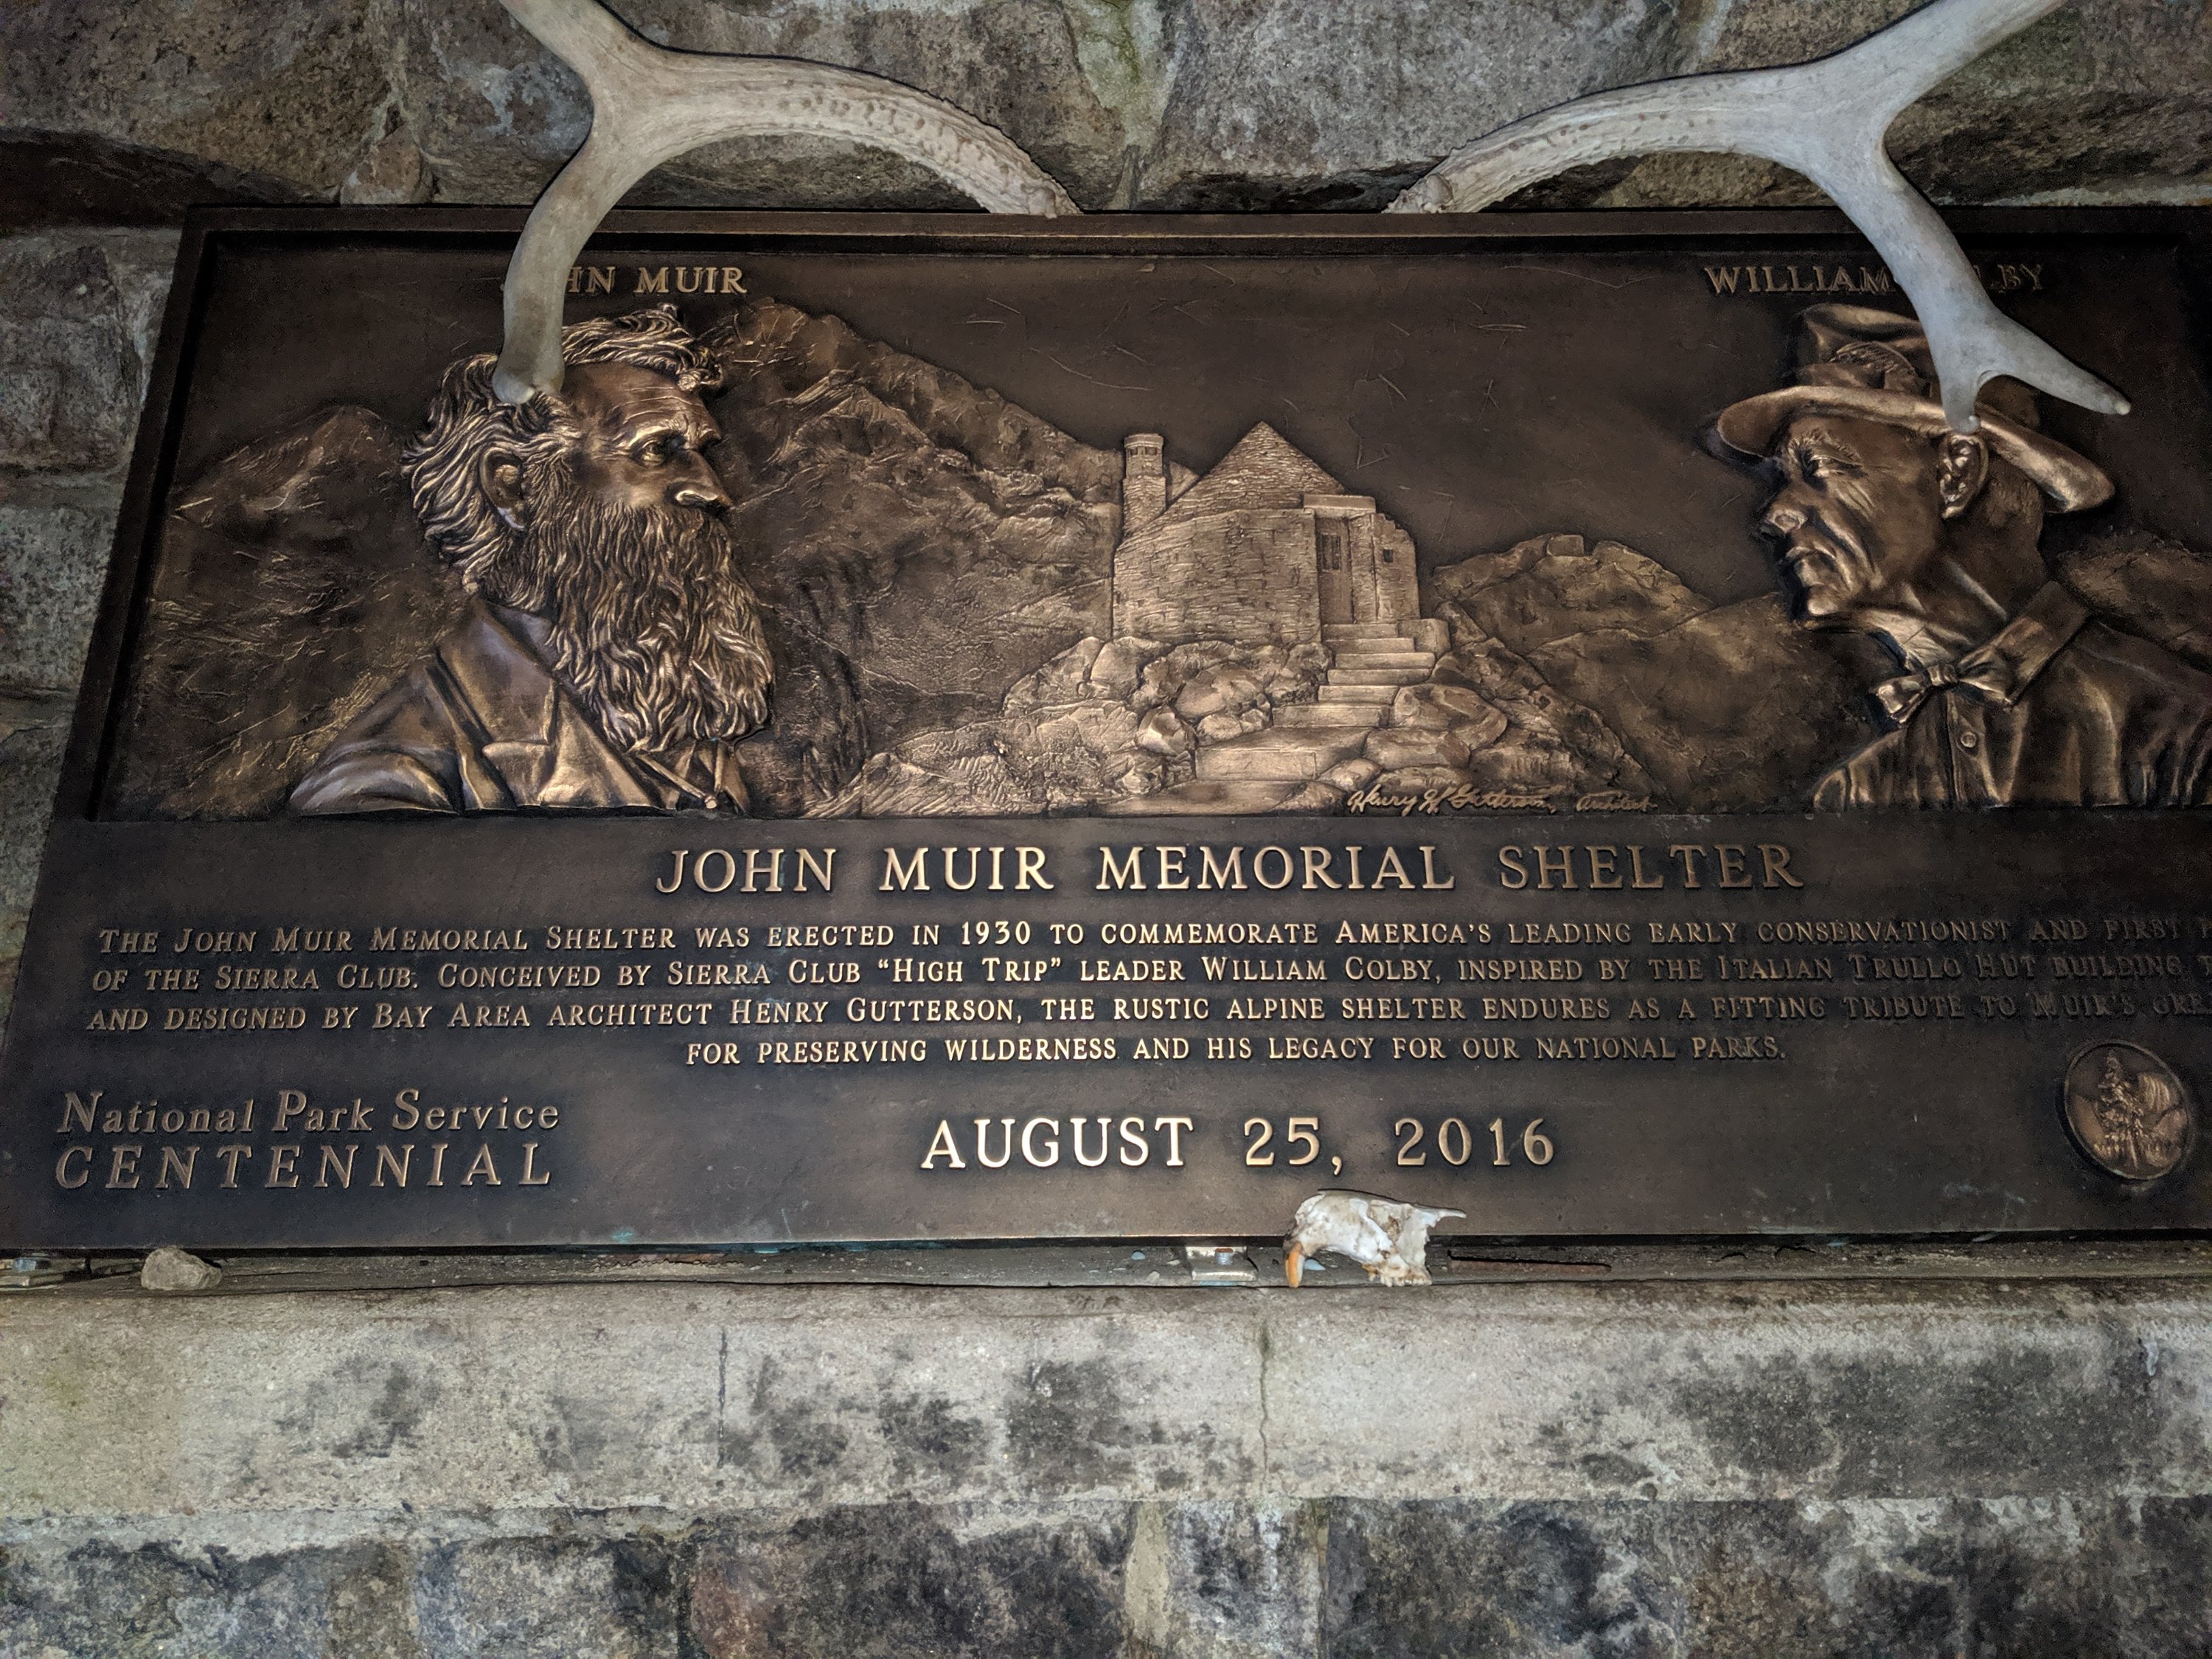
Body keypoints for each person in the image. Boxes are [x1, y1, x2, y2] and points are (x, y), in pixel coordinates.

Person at [1714, 303, 2212, 808]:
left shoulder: (2183, 730)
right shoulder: (1854, 793)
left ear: (1956, 473)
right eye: (1783, 480)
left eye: (1818, 467)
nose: (1774, 513)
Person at [291, 305, 772, 814]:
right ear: (513, 488)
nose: (712, 490)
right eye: (655, 451)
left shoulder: (671, 690)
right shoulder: (386, 785)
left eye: (701, 452)